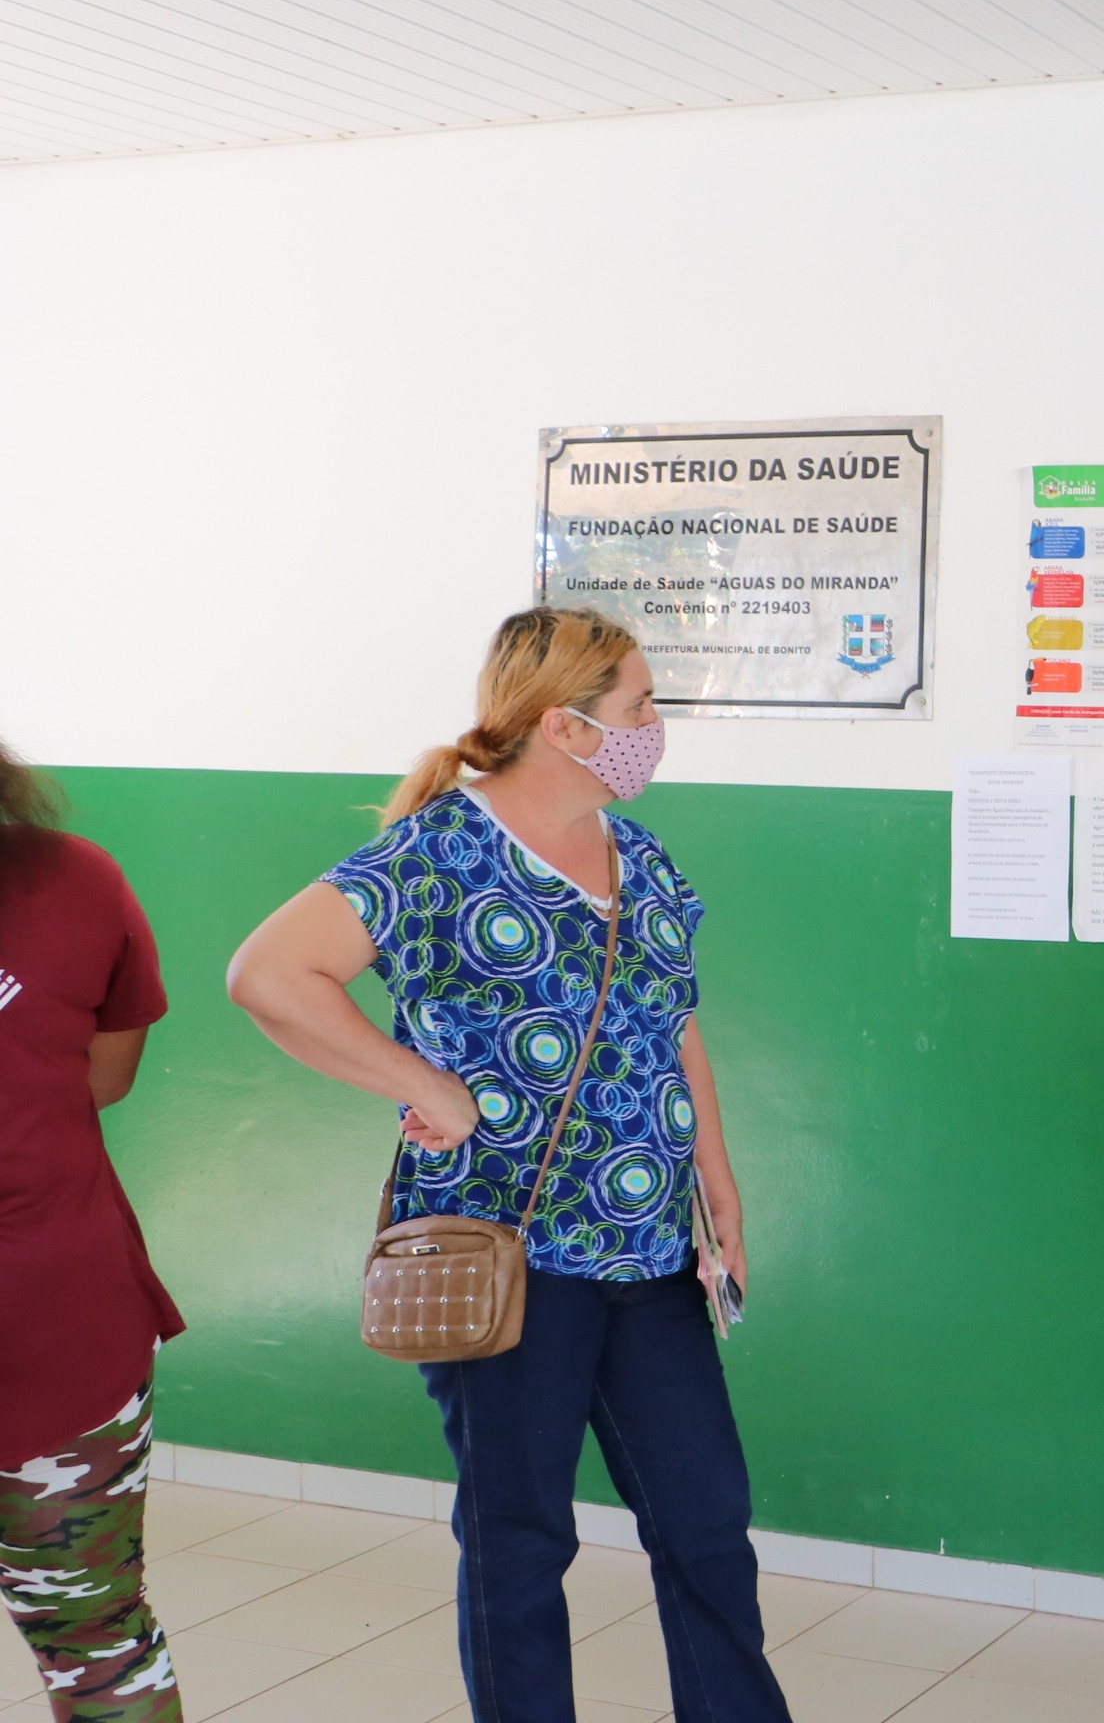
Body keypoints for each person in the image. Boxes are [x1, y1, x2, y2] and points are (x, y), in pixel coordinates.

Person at [227, 608, 790, 1722]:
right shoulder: (440, 851)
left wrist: (714, 1185)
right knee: (521, 1542)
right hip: (506, 1262)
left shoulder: (644, 857)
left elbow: (675, 1025)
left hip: (648, 1254)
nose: (654, 725)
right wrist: (423, 1085)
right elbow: (269, 972)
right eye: (637, 705)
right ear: (563, 727)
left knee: (707, 1522)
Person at [0, 736, 184, 1720]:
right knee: (98, 1644)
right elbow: (101, 1077)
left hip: (54, 1323)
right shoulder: (76, 877)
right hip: (63, 1312)